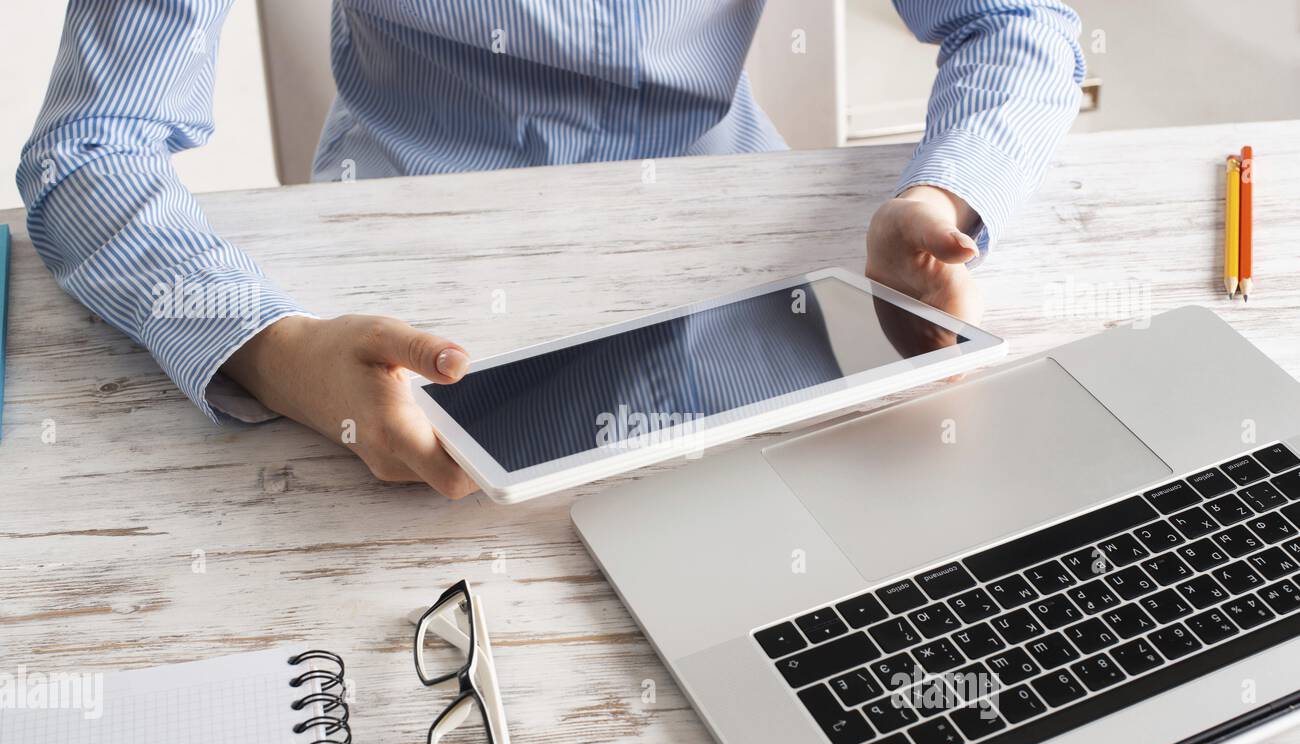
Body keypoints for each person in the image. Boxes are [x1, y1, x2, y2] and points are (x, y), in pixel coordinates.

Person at [17, 1, 1085, 498]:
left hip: (738, 290)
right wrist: (263, 346)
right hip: (388, 316)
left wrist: (946, 193)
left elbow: (1014, 19)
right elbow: (86, 152)